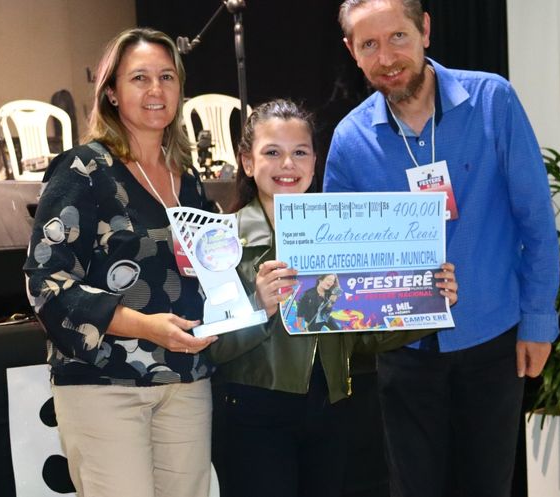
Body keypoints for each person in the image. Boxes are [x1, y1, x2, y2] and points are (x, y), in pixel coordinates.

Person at [325, 1, 560, 496]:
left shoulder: (493, 101)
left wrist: (539, 322)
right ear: (351, 51)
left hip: (493, 339)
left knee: (487, 485)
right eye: (369, 44)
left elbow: (537, 221)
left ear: (425, 30)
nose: (387, 57)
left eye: (398, 37)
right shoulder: (349, 141)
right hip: (403, 352)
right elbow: (340, 262)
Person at [206, 99, 458, 497]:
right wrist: (258, 306)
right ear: (248, 162)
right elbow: (210, 348)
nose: (287, 164)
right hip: (252, 413)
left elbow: (363, 336)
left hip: (331, 409)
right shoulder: (219, 240)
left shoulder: (341, 232)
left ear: (314, 162)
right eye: (272, 152)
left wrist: (428, 303)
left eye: (299, 152)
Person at [23, 27, 218, 497]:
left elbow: (209, 273)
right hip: (104, 383)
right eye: (139, 78)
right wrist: (146, 327)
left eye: (167, 77)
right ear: (111, 92)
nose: (156, 90)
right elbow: (47, 281)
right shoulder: (83, 170)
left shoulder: (189, 181)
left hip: (186, 379)